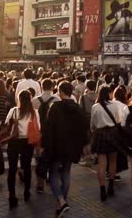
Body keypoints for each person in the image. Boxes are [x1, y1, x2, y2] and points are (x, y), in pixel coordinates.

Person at [43, 81, 88, 217]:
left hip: (57, 145)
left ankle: (61, 202)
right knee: (66, 173)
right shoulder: (78, 108)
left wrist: (46, 145)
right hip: (72, 146)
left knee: (53, 173)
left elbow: (49, 128)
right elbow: (83, 129)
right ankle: (62, 203)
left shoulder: (55, 107)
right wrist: (82, 145)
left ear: (61, 91)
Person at [4, 90, 37, 208]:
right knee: (27, 167)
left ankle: (12, 195)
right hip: (27, 142)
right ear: (30, 99)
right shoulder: (34, 112)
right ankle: (27, 192)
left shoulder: (13, 111)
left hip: (14, 141)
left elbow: (7, 124)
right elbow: (38, 127)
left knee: (12, 169)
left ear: (19, 99)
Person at [90, 86, 122, 201]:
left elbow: (92, 125)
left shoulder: (95, 107)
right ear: (108, 94)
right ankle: (111, 186)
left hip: (100, 134)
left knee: (102, 164)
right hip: (113, 133)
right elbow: (118, 120)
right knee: (113, 161)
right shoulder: (115, 105)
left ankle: (102, 189)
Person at [33, 79, 59, 194]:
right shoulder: (57, 100)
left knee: (39, 159)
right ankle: (50, 178)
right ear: (52, 87)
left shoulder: (34, 101)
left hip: (38, 133)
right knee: (52, 157)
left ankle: (40, 184)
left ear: (41, 87)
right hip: (53, 134)